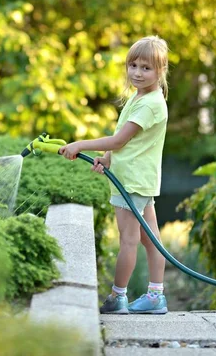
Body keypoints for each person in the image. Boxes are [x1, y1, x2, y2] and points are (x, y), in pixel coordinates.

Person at [60, 35, 169, 314]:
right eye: (133, 65)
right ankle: (155, 296)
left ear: (161, 70)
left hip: (132, 182)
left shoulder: (149, 104)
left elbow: (119, 140)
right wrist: (107, 160)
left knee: (129, 241)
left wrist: (80, 144)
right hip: (137, 179)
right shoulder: (139, 97)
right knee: (151, 239)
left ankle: (117, 297)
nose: (137, 72)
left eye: (146, 68)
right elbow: (130, 144)